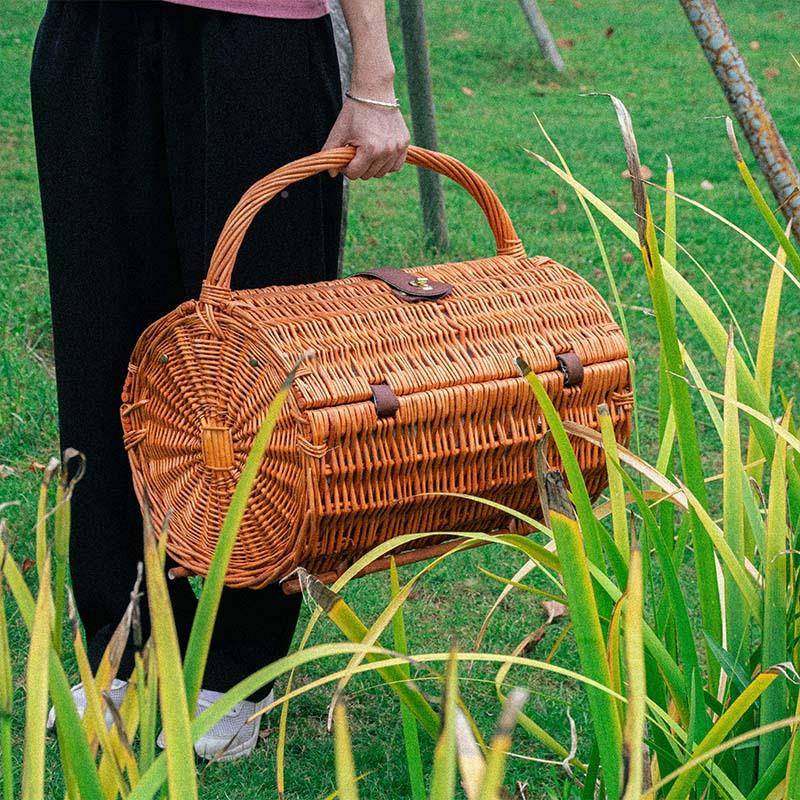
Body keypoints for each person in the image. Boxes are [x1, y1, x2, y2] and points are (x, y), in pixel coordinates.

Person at [31, 0, 410, 762]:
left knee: (262, 362)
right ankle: (122, 644)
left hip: (260, 35)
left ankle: (241, 665)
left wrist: (374, 73)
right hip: (92, 29)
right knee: (101, 335)